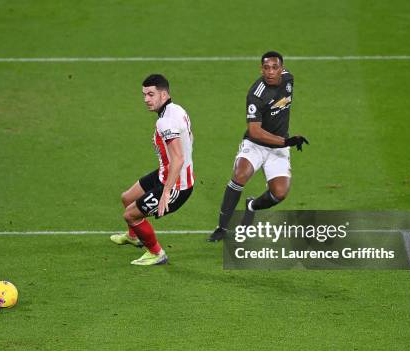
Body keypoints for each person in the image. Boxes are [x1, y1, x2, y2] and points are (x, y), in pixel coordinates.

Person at [208, 51, 309, 242]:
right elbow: (255, 131)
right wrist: (286, 142)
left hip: (278, 148)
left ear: (282, 68)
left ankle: (252, 206)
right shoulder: (256, 94)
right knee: (239, 175)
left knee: (279, 193)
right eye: (266, 68)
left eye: (274, 67)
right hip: (256, 145)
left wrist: (282, 143)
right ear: (260, 69)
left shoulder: (289, 79)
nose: (270, 72)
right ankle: (221, 227)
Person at [110, 74, 195, 265]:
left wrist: (166, 192)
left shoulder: (164, 122)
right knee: (127, 198)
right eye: (144, 95)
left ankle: (156, 253)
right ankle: (134, 237)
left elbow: (179, 159)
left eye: (151, 94)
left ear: (163, 95)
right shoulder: (177, 109)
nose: (146, 100)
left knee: (130, 215)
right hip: (164, 173)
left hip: (175, 186)